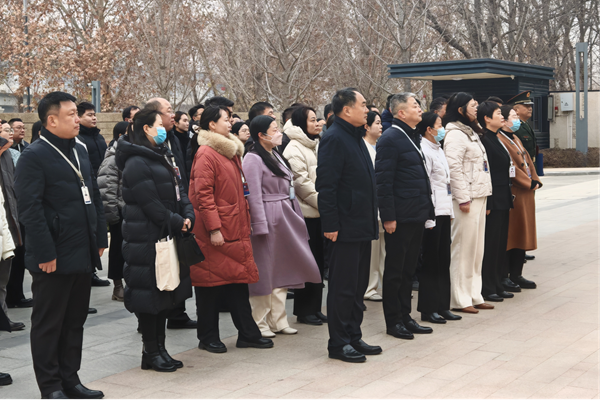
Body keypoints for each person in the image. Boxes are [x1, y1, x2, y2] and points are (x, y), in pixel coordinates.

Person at [15, 91, 108, 400]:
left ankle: (71, 379)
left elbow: (93, 194)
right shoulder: (34, 155)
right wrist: (44, 252)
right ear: (51, 120)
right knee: (49, 323)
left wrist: (100, 236)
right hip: (52, 254)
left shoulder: (79, 148)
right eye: (71, 114)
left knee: (74, 321)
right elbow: (29, 210)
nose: (77, 119)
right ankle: (51, 387)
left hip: (82, 249)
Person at [115, 107, 194, 373]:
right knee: (150, 296)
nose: (164, 127)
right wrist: (178, 221)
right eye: (159, 124)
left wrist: (188, 213)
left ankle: (159, 350)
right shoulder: (136, 162)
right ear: (146, 128)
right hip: (146, 238)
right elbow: (150, 204)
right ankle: (151, 351)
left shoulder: (162, 154)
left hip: (166, 233)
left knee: (165, 294)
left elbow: (180, 189)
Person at [189, 106, 273, 353]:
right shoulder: (206, 153)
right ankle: (207, 337)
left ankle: (247, 334)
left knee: (238, 281)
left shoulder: (229, 150)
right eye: (226, 119)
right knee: (209, 285)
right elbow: (203, 195)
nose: (231, 122)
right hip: (217, 231)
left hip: (234, 227)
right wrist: (214, 228)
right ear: (211, 125)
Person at [316, 88, 381, 363]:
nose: (367, 110)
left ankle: (354, 335)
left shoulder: (356, 136)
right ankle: (338, 343)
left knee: (357, 287)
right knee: (343, 287)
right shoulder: (334, 138)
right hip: (343, 227)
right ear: (346, 110)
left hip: (362, 224)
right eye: (363, 105)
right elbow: (326, 186)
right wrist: (331, 224)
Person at [243, 115, 321, 337]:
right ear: (261, 135)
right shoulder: (252, 158)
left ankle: (278, 319)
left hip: (285, 215)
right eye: (274, 130)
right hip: (268, 216)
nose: (279, 133)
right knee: (265, 269)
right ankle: (260, 322)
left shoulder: (275, 154)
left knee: (282, 267)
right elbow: (253, 195)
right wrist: (259, 224)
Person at [375, 93, 435, 339]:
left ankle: (406, 316)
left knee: (409, 270)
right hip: (400, 216)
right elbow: (383, 181)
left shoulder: (411, 136)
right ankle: (393, 321)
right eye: (415, 105)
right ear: (401, 112)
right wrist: (388, 216)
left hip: (416, 213)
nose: (420, 109)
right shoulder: (390, 138)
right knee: (395, 271)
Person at [144, 98, 196, 330]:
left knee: (179, 268)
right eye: (168, 112)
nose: (173, 115)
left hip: (177, 212)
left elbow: (179, 178)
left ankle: (177, 313)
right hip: (159, 221)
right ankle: (151, 325)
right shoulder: (140, 150)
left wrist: (187, 210)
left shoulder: (171, 139)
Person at [443, 92, 493, 314]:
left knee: (476, 250)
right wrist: (462, 197)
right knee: (463, 249)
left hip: (479, 195)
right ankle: (460, 298)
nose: (476, 109)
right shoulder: (454, 133)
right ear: (461, 109)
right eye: (473, 105)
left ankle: (474, 294)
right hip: (466, 198)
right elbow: (453, 168)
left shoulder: (470, 130)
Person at [282, 106, 327, 325]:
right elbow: (301, 184)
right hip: (306, 214)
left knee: (318, 263)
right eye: (312, 120)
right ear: (301, 123)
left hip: (319, 212)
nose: (317, 123)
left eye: (317, 119)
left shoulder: (314, 144)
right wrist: (324, 204)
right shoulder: (293, 149)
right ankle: (304, 310)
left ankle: (315, 308)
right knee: (307, 263)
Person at [415, 112, 460, 324]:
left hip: (444, 211)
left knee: (444, 260)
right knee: (431, 262)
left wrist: (449, 212)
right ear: (428, 129)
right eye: (439, 125)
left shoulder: (438, 148)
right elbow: (427, 187)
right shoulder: (424, 149)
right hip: (432, 214)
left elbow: (446, 184)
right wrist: (429, 217)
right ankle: (428, 308)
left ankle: (443, 305)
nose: (442, 129)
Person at [498, 105, 542, 290]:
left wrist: (536, 179)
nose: (517, 120)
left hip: (526, 192)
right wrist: (528, 182)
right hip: (515, 192)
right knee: (512, 235)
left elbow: (528, 160)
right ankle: (506, 275)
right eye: (513, 116)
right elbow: (511, 168)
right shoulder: (500, 138)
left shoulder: (515, 137)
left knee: (523, 233)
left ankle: (517, 274)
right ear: (504, 120)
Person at [477, 101, 515, 303]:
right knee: (491, 244)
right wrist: (489, 201)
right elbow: (486, 172)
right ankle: (488, 286)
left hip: (503, 196)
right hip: (493, 198)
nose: (502, 116)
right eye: (498, 113)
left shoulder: (497, 137)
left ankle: (498, 283)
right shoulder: (484, 139)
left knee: (500, 243)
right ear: (486, 118)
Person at [97, 122, 129, 302]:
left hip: (134, 211)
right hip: (120, 211)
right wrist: (114, 215)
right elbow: (107, 188)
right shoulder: (113, 158)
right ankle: (118, 285)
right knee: (117, 249)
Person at [4, 119, 32, 310]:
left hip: (17, 211)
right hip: (6, 213)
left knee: (18, 255)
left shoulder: (17, 153)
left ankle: (15, 295)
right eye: (8, 130)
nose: (12, 133)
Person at [0, 121, 24, 330]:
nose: (11, 133)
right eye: (6, 130)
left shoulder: (10, 155)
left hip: (8, 223)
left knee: (3, 277)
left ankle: (3, 318)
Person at [361, 111, 385, 302]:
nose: (381, 126)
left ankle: (383, 285)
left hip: (383, 206)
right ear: (367, 127)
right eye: (377, 123)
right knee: (372, 251)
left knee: (383, 251)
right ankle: (369, 287)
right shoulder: (363, 148)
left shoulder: (379, 147)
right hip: (370, 207)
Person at [508, 91, 537, 162]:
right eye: (526, 106)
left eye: (530, 106)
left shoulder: (525, 124)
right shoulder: (514, 126)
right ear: (516, 110)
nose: (530, 108)